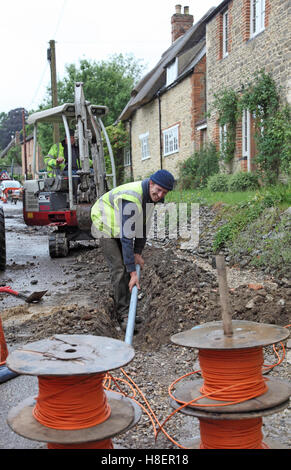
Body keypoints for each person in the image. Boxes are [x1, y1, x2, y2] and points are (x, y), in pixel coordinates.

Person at [91, 169, 175, 328]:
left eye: (165, 192)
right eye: (158, 190)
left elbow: (143, 227)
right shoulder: (132, 197)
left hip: (120, 226)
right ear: (151, 184)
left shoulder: (151, 198)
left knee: (126, 263)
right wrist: (133, 272)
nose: (160, 195)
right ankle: (123, 314)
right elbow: (127, 236)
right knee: (119, 268)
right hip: (104, 222)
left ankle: (129, 310)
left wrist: (137, 253)